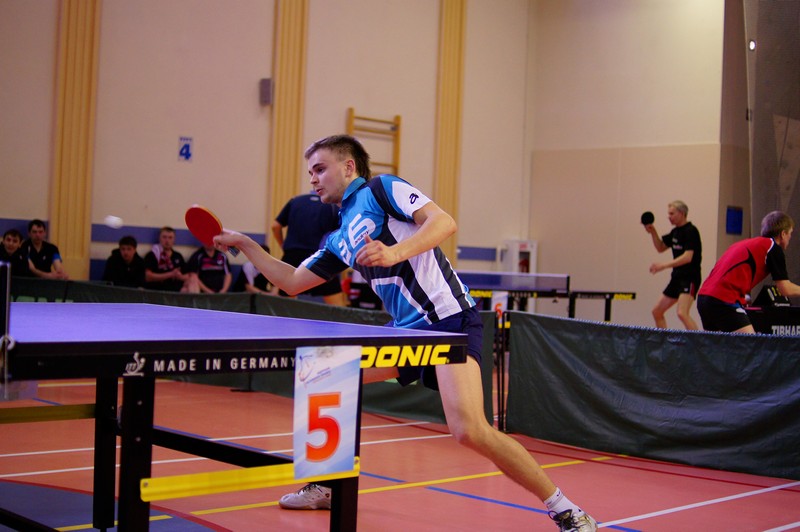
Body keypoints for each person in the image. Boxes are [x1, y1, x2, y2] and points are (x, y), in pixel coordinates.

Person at [214, 135, 597, 532]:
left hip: (448, 321)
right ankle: (326, 485)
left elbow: (443, 222)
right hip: (404, 334)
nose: (313, 179)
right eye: (310, 171)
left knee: (470, 431)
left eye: (320, 169)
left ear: (349, 167)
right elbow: (293, 281)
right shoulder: (340, 237)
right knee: (325, 373)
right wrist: (246, 243)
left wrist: (394, 252)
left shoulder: (382, 189)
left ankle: (567, 510)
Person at [697, 211, 800, 333]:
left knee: (719, 345)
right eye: (790, 233)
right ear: (783, 234)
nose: (790, 237)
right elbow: (785, 289)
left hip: (703, 299)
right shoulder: (773, 248)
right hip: (723, 301)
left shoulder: (743, 243)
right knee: (750, 343)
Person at [271, 192, 346, 305]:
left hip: (292, 256)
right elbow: (342, 232)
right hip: (321, 258)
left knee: (285, 305)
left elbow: (275, 226)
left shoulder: (295, 201)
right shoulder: (332, 206)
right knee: (337, 306)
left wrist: (283, 246)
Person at [644, 200, 702, 330]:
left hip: (689, 278)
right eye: (668, 214)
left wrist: (663, 266)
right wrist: (653, 232)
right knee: (657, 312)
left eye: (672, 214)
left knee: (682, 313)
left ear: (681, 213)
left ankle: (699, 342)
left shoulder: (691, 231)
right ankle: (665, 341)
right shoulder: (675, 232)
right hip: (676, 278)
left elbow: (687, 257)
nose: (669, 217)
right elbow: (660, 247)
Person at [143, 226, 189, 291]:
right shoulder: (152, 255)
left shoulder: (178, 256)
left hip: (176, 290)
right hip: (157, 290)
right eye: (164, 237)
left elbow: (187, 275)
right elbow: (148, 277)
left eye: (170, 238)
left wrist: (179, 276)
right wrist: (170, 274)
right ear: (159, 238)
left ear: (174, 240)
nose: (167, 240)